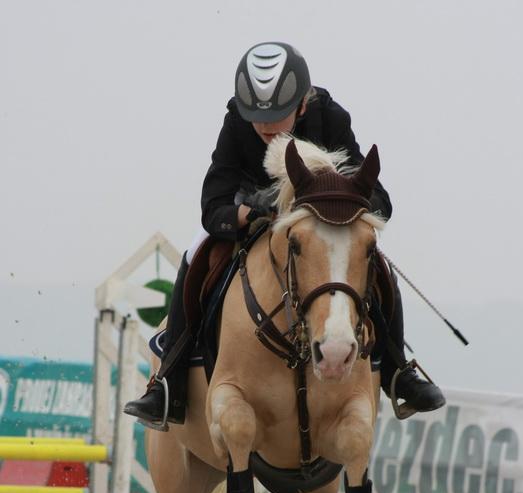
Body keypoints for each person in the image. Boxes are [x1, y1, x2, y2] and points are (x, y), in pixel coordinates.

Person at [124, 41, 445, 427]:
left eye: (277, 115)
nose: (265, 126)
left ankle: (398, 373)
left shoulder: (331, 118)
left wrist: (339, 200)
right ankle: (167, 383)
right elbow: (212, 204)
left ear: (302, 105)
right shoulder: (236, 122)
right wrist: (249, 211)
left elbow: (377, 197)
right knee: (196, 254)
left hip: (316, 227)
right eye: (257, 117)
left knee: (374, 264)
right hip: (252, 221)